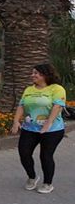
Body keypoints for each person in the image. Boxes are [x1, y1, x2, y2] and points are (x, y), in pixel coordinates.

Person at [10, 64, 66, 194]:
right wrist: (16, 121)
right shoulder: (29, 89)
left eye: (36, 73)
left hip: (52, 130)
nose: (32, 75)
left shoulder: (57, 89)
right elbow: (21, 106)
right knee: (24, 153)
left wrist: (48, 124)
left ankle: (47, 183)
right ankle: (32, 177)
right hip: (30, 128)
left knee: (45, 155)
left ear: (45, 75)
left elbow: (57, 107)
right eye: (32, 72)